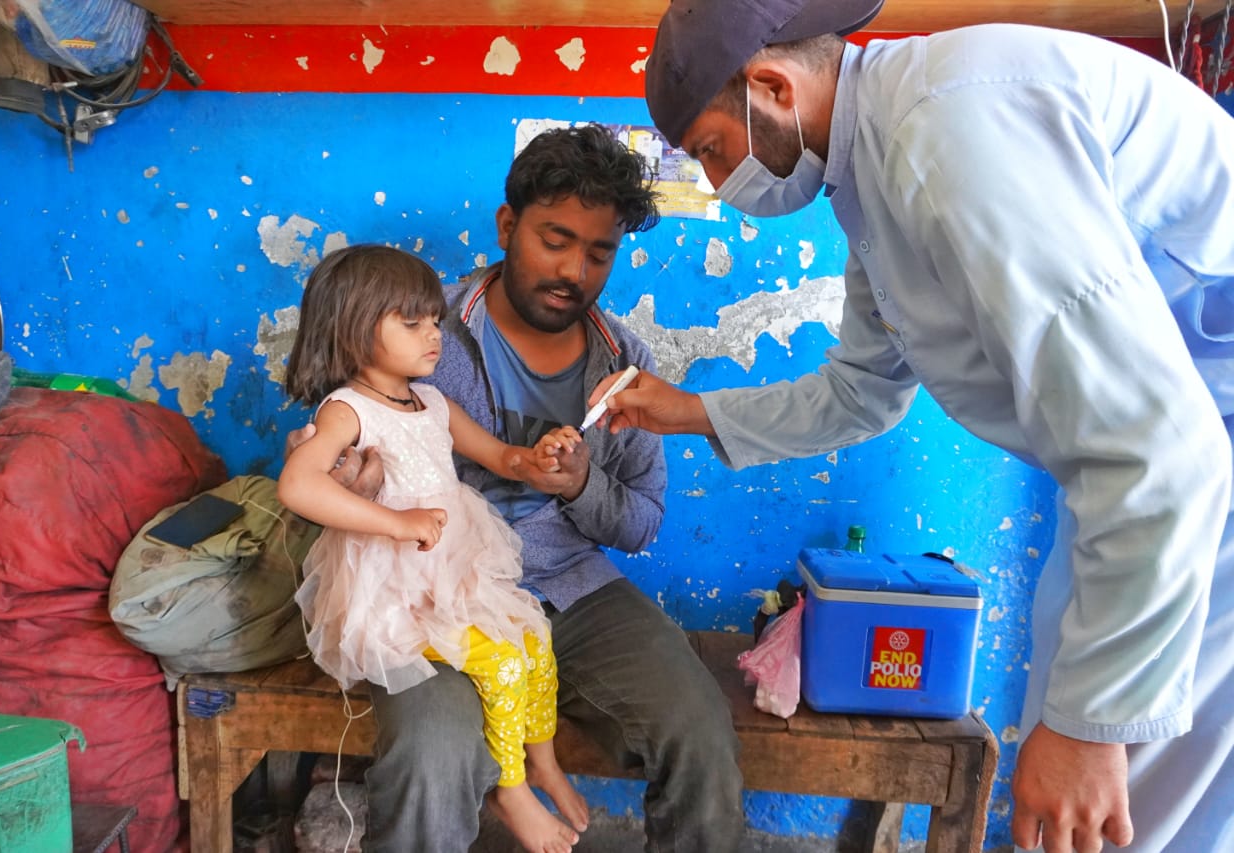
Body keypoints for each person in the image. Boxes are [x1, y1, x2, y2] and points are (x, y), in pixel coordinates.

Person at [592, 2, 1234, 852]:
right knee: (1076, 733)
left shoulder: (951, 131)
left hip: (1189, 481)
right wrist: (688, 411)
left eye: (713, 150)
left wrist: (1091, 727)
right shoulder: (874, 166)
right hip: (1135, 481)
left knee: (1129, 807)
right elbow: (863, 388)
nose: (716, 184)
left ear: (772, 87)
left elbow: (1162, 449)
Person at [291, 124, 746, 852]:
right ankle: (509, 789)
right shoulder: (419, 332)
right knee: (434, 751)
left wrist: (580, 484)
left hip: (571, 588)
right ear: (508, 225)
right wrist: (360, 482)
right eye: (555, 240)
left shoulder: (624, 359)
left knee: (699, 728)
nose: (574, 270)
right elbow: (344, 451)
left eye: (599, 252)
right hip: (433, 600)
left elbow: (640, 523)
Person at [278, 243, 591, 853]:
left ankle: (542, 760)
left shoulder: (434, 404)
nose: (434, 335)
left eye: (433, 321)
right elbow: (298, 483)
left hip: (448, 573)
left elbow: (502, 457)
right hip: (395, 592)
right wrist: (394, 524)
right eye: (412, 322)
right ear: (353, 326)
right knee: (502, 663)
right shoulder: (348, 410)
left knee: (534, 638)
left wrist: (538, 458)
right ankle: (513, 789)